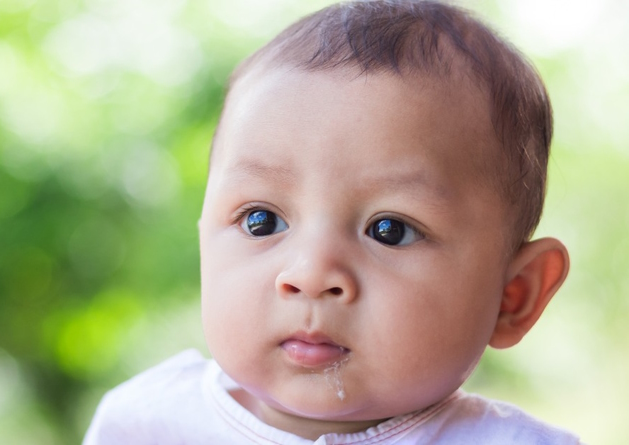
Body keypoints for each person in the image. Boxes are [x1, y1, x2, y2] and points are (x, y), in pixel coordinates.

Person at [84, 1, 581, 443]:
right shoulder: (144, 424)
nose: (310, 274)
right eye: (261, 221)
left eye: (390, 230)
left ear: (513, 295)